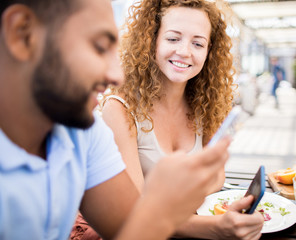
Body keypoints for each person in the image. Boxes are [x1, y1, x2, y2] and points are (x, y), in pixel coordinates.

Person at [0, 0, 236, 239]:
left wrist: (217, 225)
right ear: (23, 34)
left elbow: (130, 229)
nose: (116, 74)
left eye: (198, 43)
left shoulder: (84, 132)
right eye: (99, 47)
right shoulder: (112, 112)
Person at [75, 0, 263, 239]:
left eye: (198, 43)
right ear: (151, 39)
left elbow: (218, 178)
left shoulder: (206, 104)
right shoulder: (120, 108)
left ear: (209, 51)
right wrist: (216, 225)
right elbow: (135, 215)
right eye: (173, 39)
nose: (185, 51)